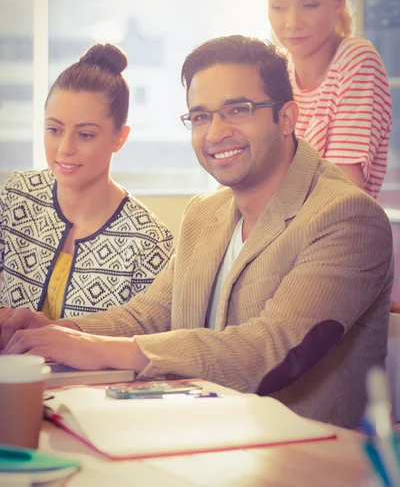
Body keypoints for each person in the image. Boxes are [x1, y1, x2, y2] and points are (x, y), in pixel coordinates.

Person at [0, 36, 393, 429]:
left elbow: (271, 349)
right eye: (201, 116)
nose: (216, 132)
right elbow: (149, 316)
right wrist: (52, 331)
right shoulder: (204, 213)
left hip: (304, 462)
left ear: (287, 118)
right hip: (197, 443)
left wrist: (107, 350)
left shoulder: (345, 215)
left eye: (237, 110)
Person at [0, 43, 173, 320]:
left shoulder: (149, 242)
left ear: (120, 138)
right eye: (54, 129)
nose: (64, 148)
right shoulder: (18, 195)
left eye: (86, 135)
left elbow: (146, 342)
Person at [264, 0, 392, 200]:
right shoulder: (277, 71)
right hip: (277, 233)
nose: (292, 23)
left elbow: (339, 194)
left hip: (335, 237)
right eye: (278, 7)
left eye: (309, 5)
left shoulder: (356, 61)